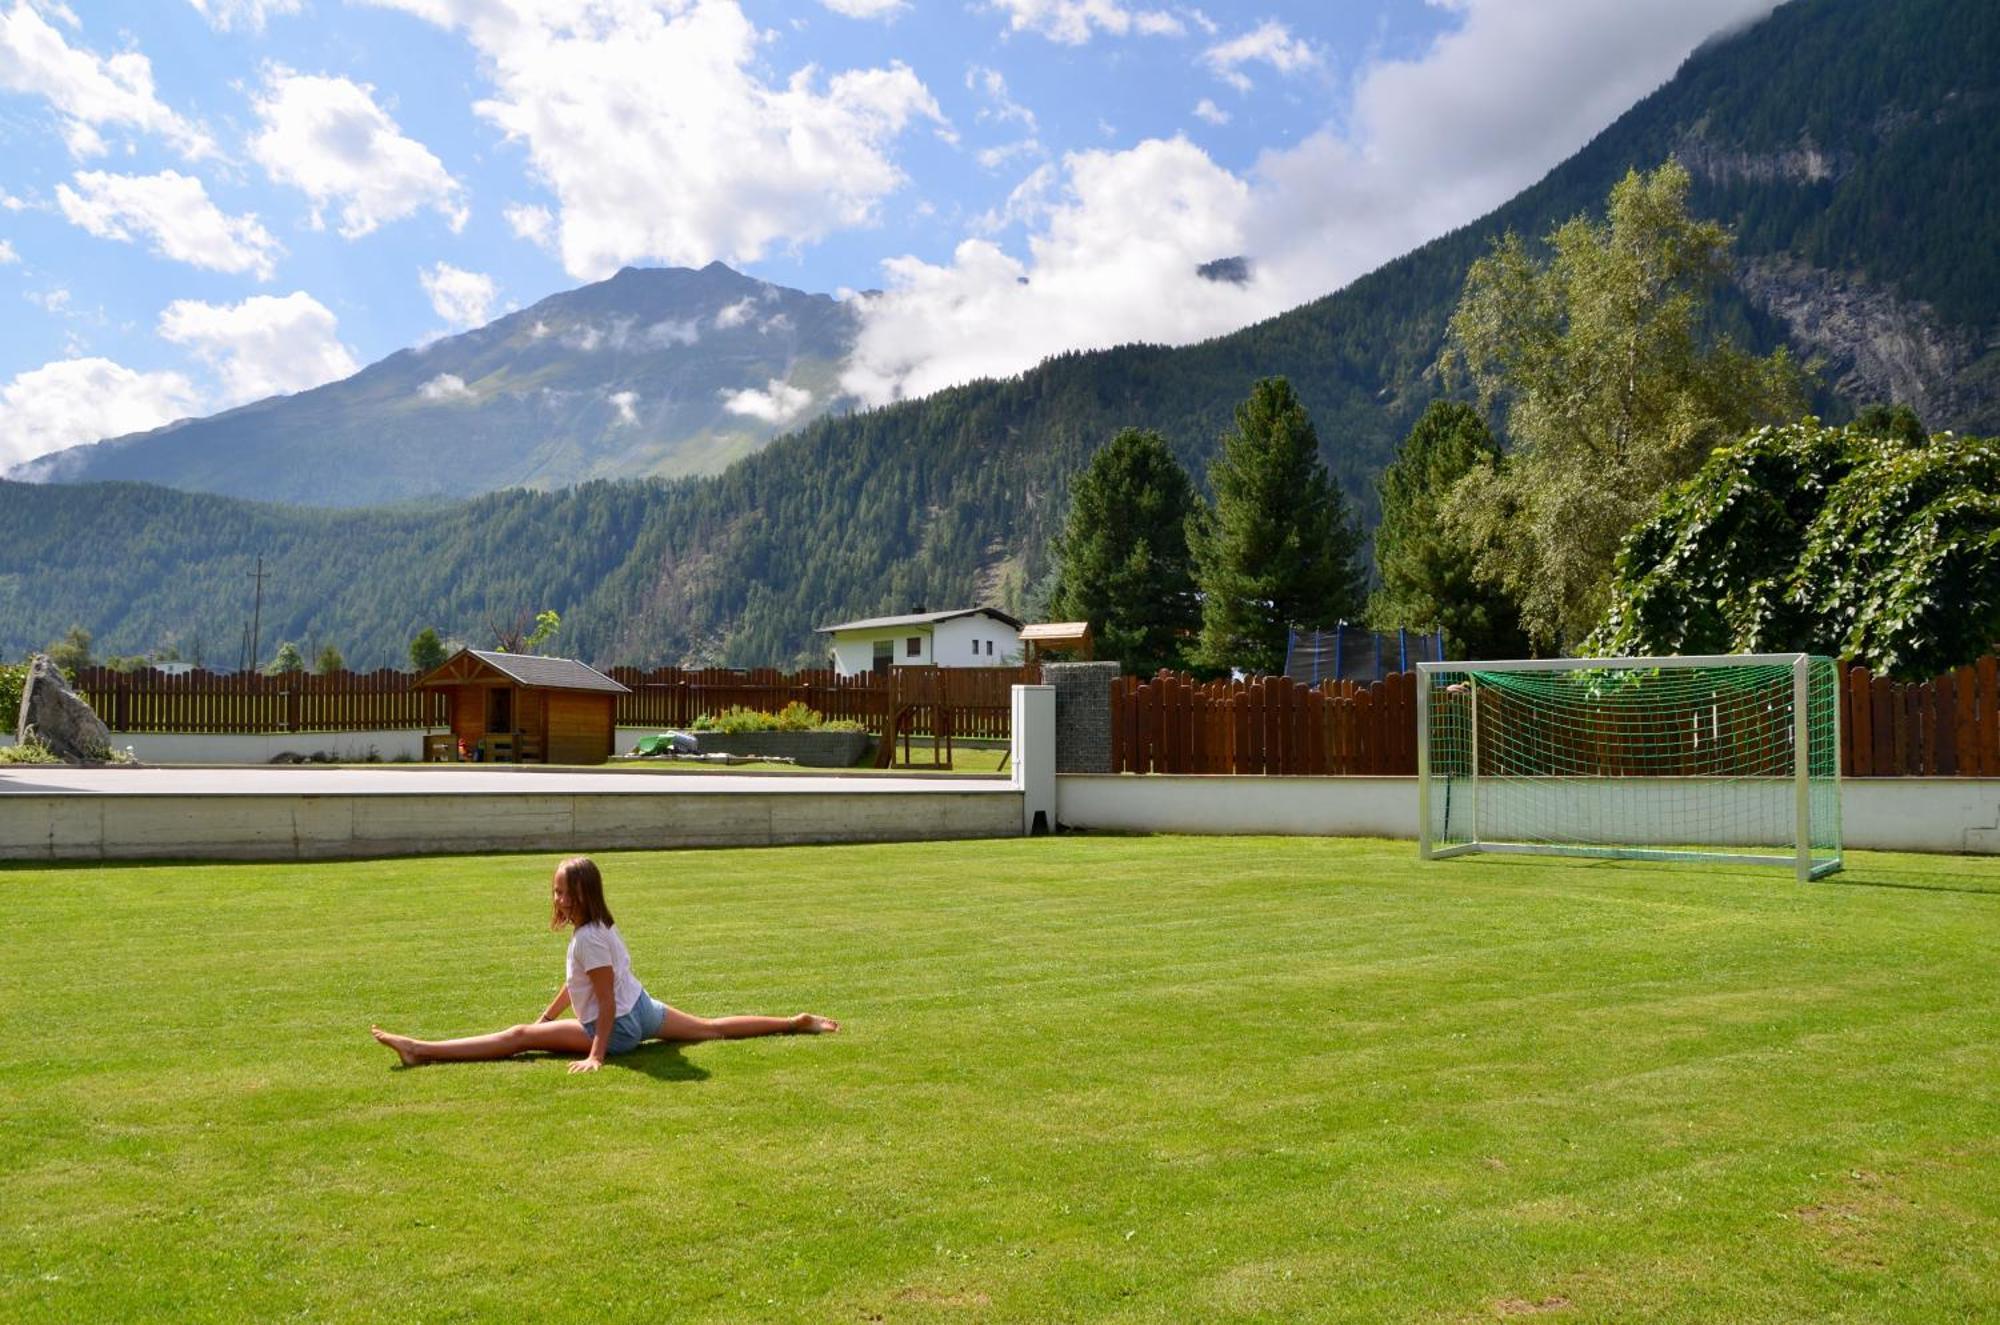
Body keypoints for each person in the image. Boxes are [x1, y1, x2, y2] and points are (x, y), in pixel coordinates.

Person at [371, 856, 838, 1072]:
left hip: (618, 1027)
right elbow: (581, 985)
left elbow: (603, 998)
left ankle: (421, 1049)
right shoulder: (599, 928)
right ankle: (794, 1023)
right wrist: (551, 1015)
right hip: (644, 1009)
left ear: (583, 896)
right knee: (712, 1029)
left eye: (563, 892)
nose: (556, 897)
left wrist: (597, 1053)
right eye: (554, 890)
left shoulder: (590, 940)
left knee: (517, 1039)